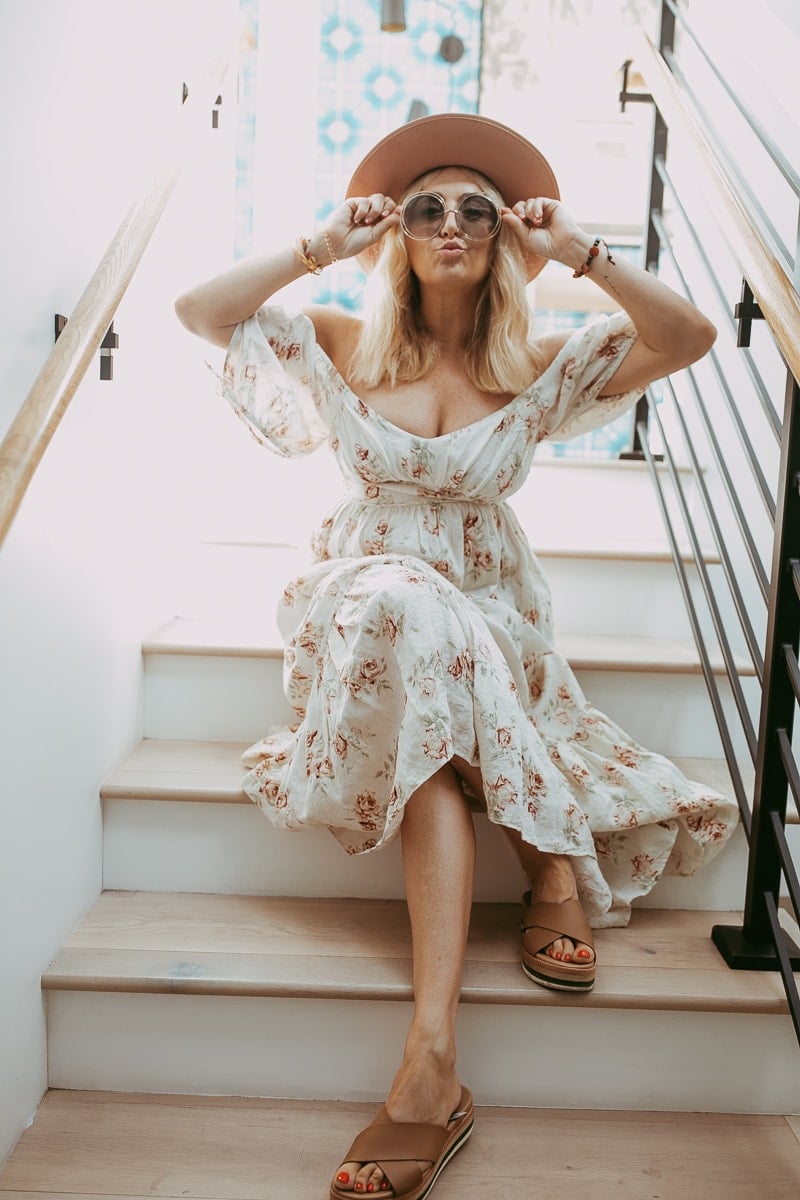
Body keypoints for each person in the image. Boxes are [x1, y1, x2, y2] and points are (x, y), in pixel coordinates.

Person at [175, 113, 739, 1200]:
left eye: (473, 210)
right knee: (404, 612)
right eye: (425, 207)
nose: (447, 225)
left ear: (501, 236)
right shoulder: (341, 337)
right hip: (363, 601)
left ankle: (432, 1058)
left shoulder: (532, 362)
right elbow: (202, 313)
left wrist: (576, 249)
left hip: (488, 612)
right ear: (396, 230)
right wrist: (317, 246)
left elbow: (688, 338)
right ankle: (548, 872)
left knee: (433, 691)